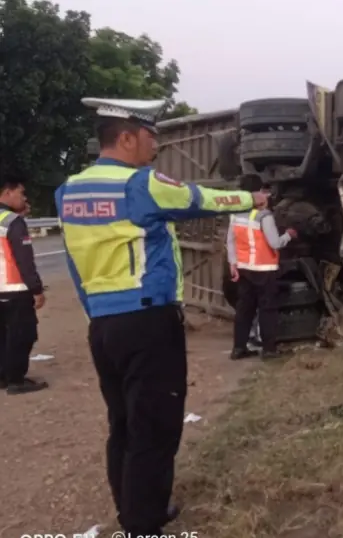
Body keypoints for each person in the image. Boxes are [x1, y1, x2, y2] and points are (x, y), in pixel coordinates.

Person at [55, 97, 270, 537]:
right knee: (155, 424)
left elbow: (76, 265)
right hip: (147, 322)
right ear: (128, 137)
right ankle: (143, 522)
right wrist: (255, 197)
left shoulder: (69, 190)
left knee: (123, 423)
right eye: (152, 138)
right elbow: (200, 198)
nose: (156, 148)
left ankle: (132, 507)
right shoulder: (140, 184)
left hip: (103, 325)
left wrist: (95, 313)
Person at [227, 174, 296, 360]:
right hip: (265, 270)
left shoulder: (235, 214)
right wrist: (288, 235)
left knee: (244, 309)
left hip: (244, 269)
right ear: (259, 192)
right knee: (267, 309)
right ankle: (269, 350)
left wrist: (233, 263)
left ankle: (238, 348)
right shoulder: (264, 216)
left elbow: (230, 241)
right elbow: (274, 243)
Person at [0, 179, 47, 395]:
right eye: (21, 193)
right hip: (15, 289)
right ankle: (16, 379)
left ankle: (3, 376)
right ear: (7, 193)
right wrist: (36, 289)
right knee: (22, 334)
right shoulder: (13, 222)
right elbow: (24, 260)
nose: (24, 198)